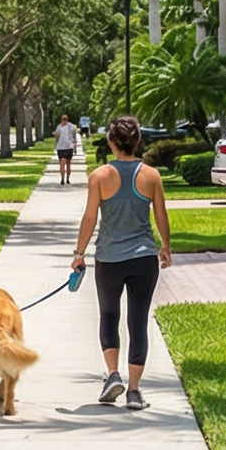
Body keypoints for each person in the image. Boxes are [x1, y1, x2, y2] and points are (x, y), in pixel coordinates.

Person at [71, 115, 172, 410]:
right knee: (138, 321)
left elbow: (90, 218)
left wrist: (79, 253)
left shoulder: (99, 177)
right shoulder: (151, 175)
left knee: (109, 316)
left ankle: (113, 375)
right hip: (143, 259)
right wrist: (165, 246)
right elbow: (161, 216)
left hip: (109, 259)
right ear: (137, 140)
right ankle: (134, 391)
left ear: (112, 142)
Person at [54, 114, 82, 185]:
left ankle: (68, 179)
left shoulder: (70, 125)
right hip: (60, 147)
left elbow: (75, 129)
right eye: (63, 119)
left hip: (69, 146)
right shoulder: (59, 126)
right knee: (62, 162)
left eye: (66, 119)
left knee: (68, 163)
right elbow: (56, 135)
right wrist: (56, 142)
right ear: (61, 120)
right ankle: (62, 178)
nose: (65, 121)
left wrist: (74, 142)